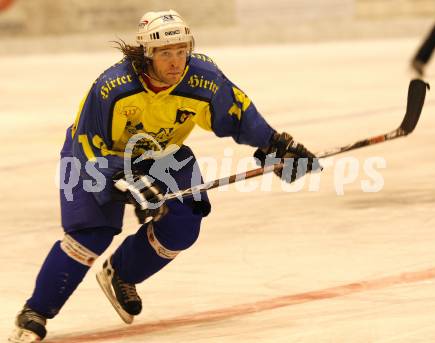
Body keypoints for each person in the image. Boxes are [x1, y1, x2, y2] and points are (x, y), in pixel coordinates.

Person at [9, 9, 320, 342]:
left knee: (183, 224)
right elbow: (90, 146)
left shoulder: (203, 79)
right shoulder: (112, 88)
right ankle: (35, 312)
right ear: (147, 55)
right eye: (166, 53)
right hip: (96, 157)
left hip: (160, 156)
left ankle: (121, 273)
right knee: (92, 234)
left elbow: (239, 116)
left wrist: (274, 146)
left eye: (181, 51)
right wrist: (124, 180)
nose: (176, 61)